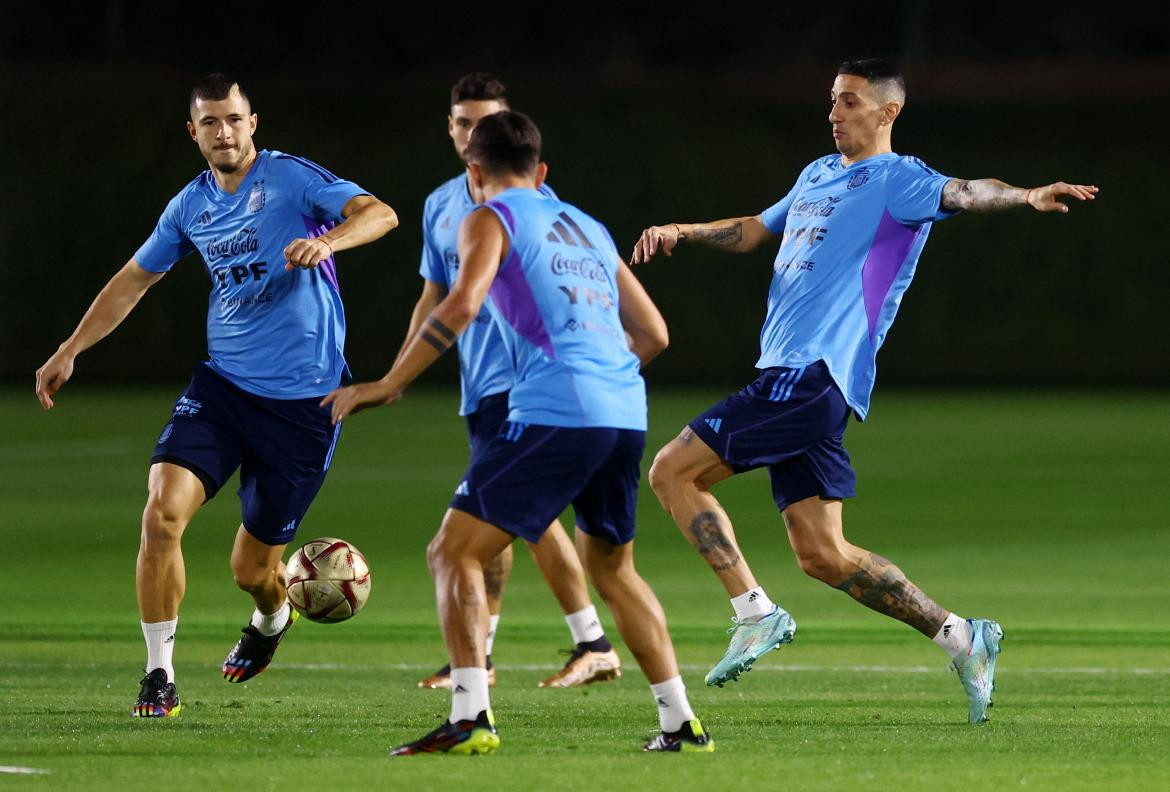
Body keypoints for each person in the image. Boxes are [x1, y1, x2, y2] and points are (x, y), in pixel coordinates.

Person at [631, 58, 1097, 724]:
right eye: (832, 101)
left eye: (849, 102)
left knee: (672, 471)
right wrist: (685, 231)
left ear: (887, 113)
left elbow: (966, 191)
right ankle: (962, 637)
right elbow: (758, 230)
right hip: (792, 376)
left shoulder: (899, 179)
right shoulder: (816, 175)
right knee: (823, 554)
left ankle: (753, 612)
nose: (834, 113)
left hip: (814, 372)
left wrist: (1023, 195)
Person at [324, 111, 713, 754]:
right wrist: (601, 376)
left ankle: (471, 717)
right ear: (542, 172)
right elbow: (655, 334)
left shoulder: (487, 217)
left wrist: (389, 383)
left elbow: (461, 302)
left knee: (453, 551)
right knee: (615, 570)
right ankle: (680, 723)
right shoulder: (587, 226)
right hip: (625, 411)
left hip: (557, 410)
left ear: (474, 172)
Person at [34, 74, 398, 718]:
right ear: (193, 132)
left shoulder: (292, 179)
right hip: (223, 388)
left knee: (252, 571)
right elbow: (132, 280)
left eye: (233, 118)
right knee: (161, 514)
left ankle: (270, 618)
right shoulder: (189, 207)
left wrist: (328, 240)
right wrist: (70, 348)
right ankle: (158, 674)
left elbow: (380, 213)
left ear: (253, 122)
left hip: (304, 407)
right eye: (210, 122)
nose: (223, 132)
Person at [407, 73, 620, 691]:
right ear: (450, 129)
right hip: (478, 381)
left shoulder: (531, 206)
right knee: (493, 519)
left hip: (526, 378)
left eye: (486, 121)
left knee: (526, 514)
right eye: (463, 122)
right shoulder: (440, 205)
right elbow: (435, 296)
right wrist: (405, 366)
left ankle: (592, 642)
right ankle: (482, 654)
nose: (474, 133)